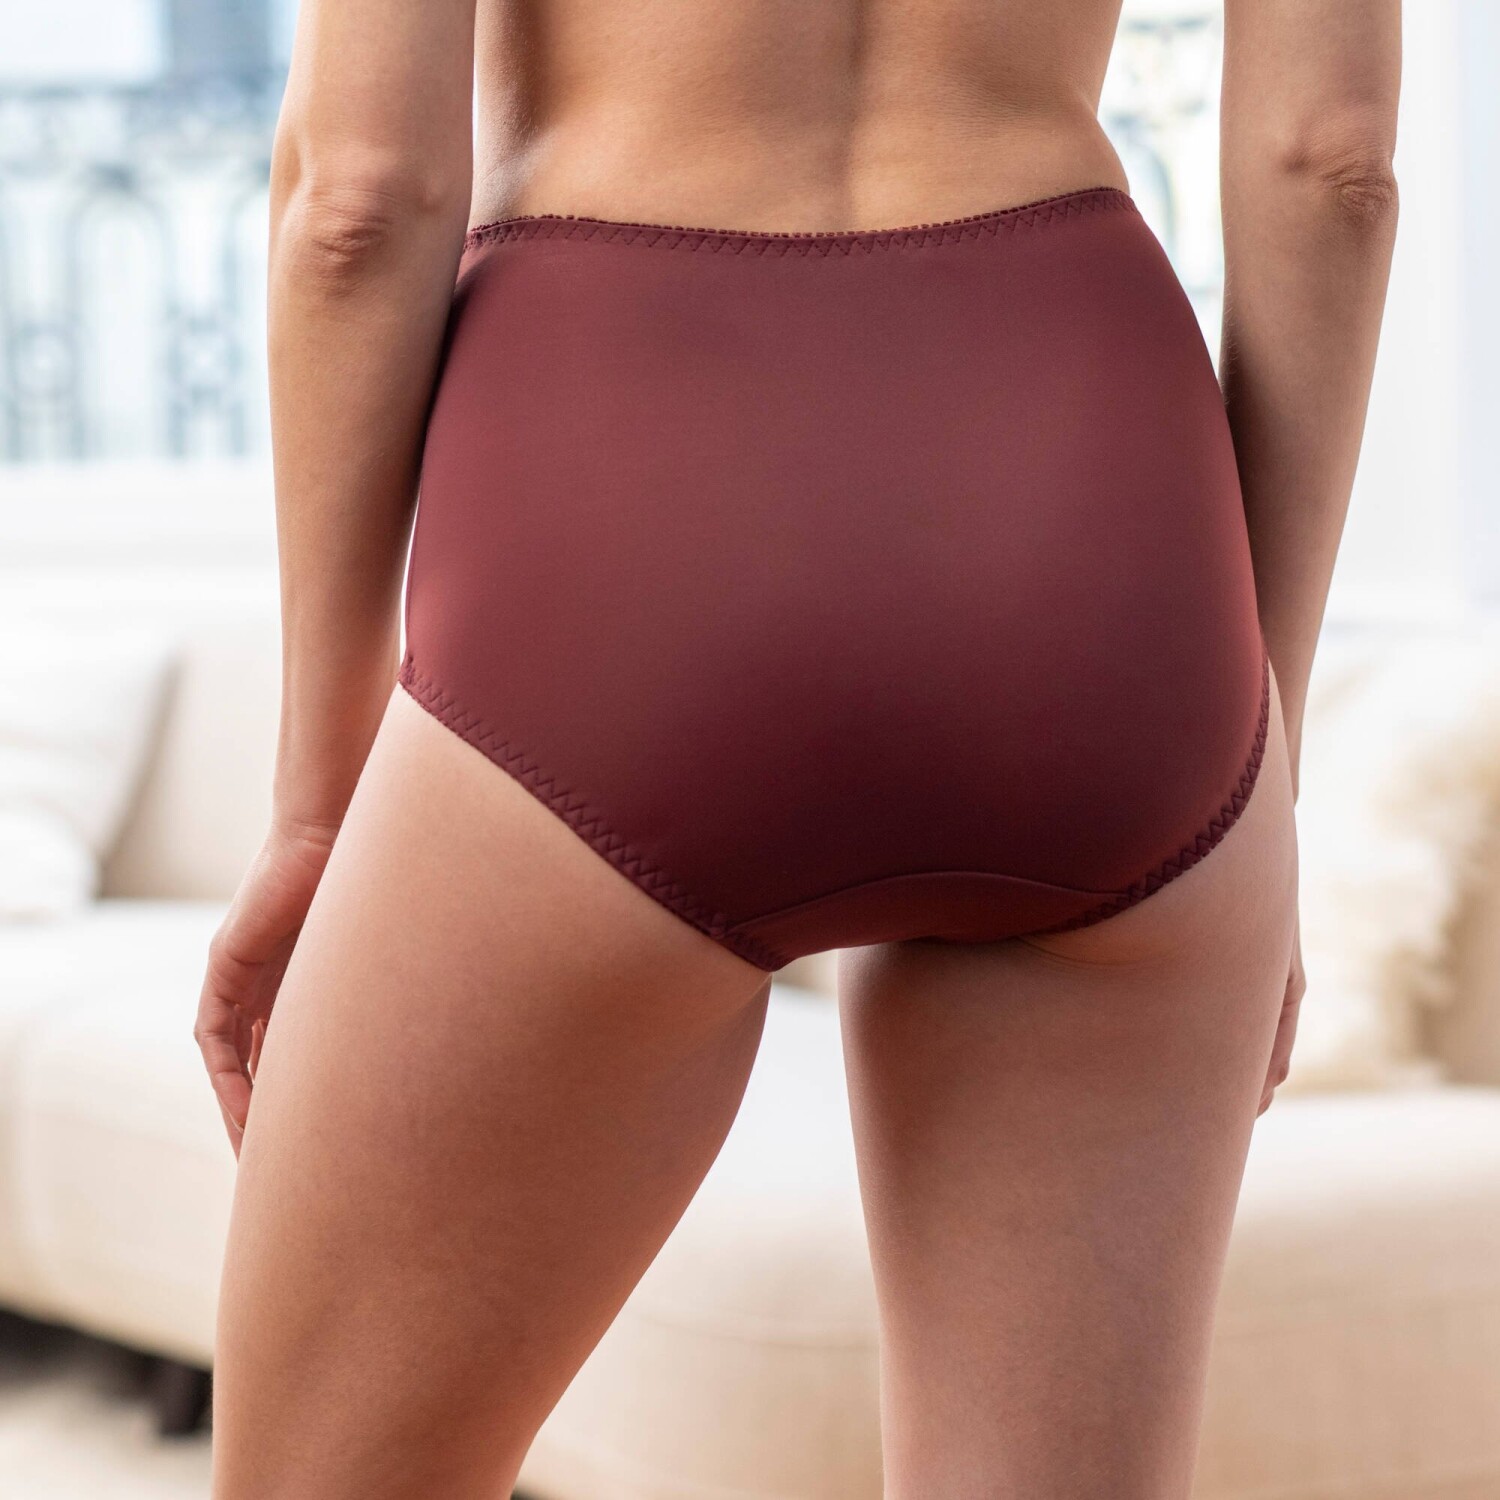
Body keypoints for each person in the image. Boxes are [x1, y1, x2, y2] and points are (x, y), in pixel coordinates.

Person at [195, 0, 1401, 1494]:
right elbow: (1331, 166)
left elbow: (360, 200)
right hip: (1095, 510)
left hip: (630, 498)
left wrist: (320, 804)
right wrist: (1253, 751)